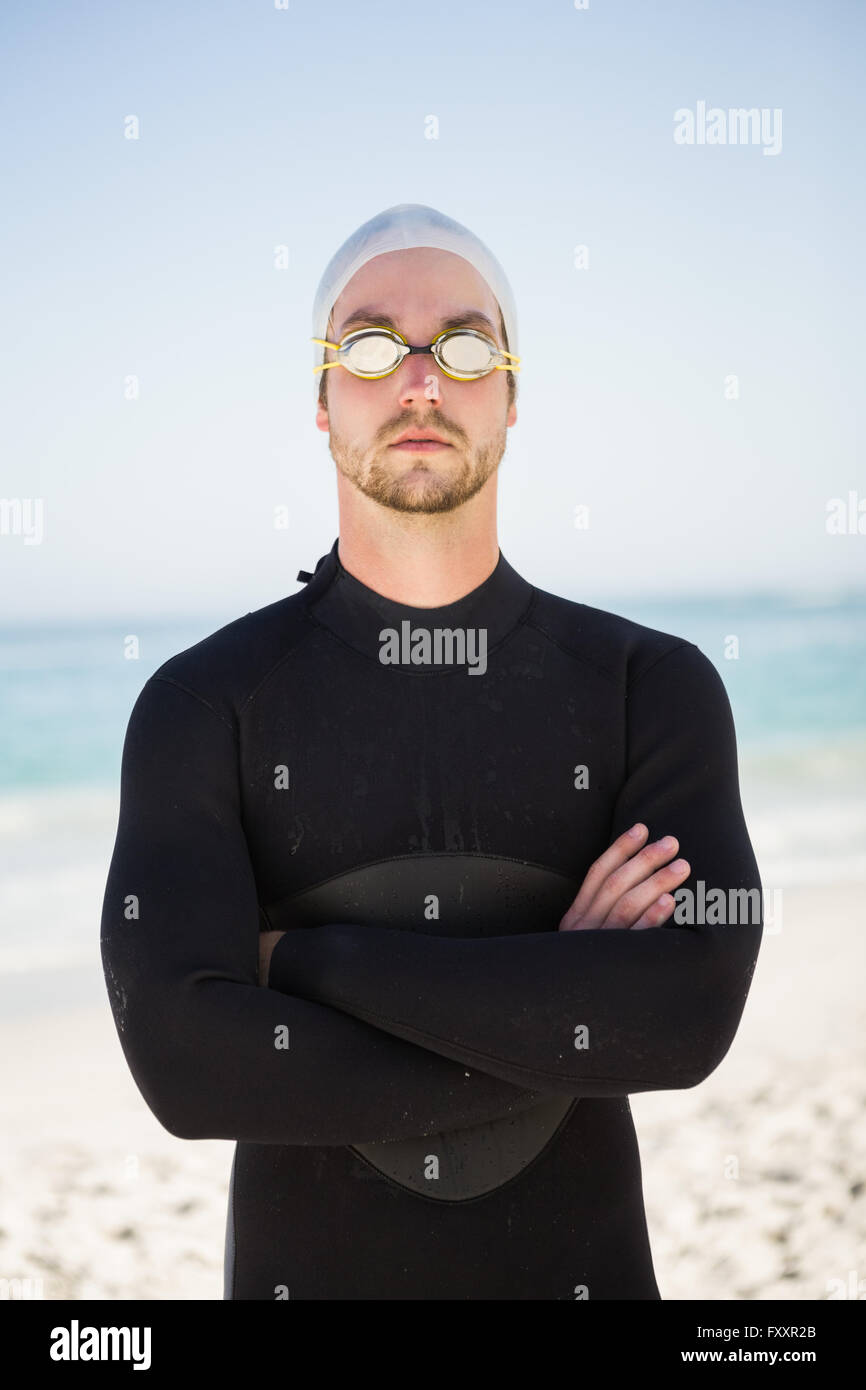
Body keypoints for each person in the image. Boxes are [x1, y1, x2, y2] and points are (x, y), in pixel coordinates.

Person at [100, 202, 763, 1300]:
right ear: (321, 398)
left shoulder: (649, 686)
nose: (419, 381)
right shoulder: (205, 705)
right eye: (369, 345)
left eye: (462, 345)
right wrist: (560, 996)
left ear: (511, 392)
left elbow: (682, 1019)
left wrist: (300, 965)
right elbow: (186, 1069)